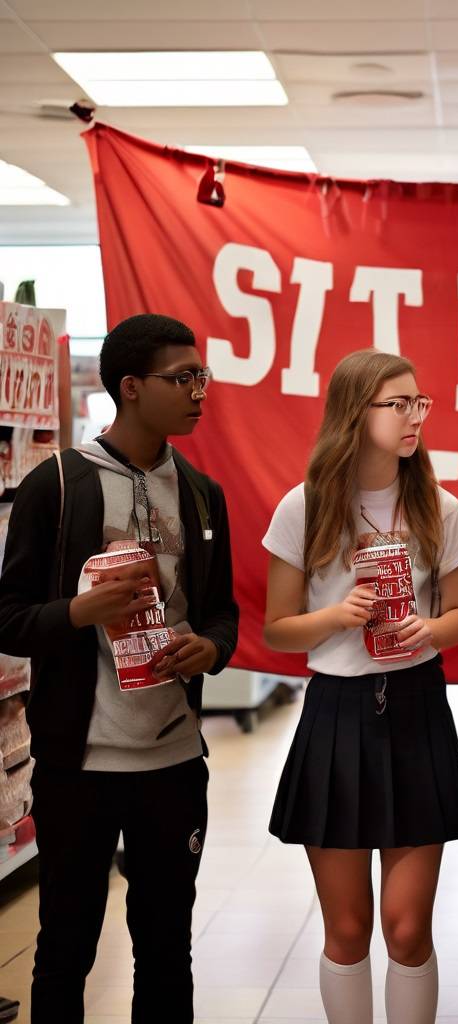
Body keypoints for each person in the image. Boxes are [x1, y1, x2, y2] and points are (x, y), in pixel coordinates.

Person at [0, 313, 239, 1023]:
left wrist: (212, 647)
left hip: (173, 761)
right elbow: (9, 617)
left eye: (203, 376)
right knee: (66, 946)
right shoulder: (59, 486)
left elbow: (223, 610)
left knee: (167, 947)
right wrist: (81, 611)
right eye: (183, 377)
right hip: (81, 765)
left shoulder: (201, 493)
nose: (200, 390)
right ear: (131, 387)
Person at [262, 349, 458, 1024]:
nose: (415, 417)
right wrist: (337, 615)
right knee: (349, 929)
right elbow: (277, 629)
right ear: (357, 413)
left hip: (417, 709)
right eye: (399, 404)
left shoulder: (440, 506)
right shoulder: (306, 506)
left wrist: (431, 630)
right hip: (337, 711)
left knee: (409, 930)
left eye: (420, 403)